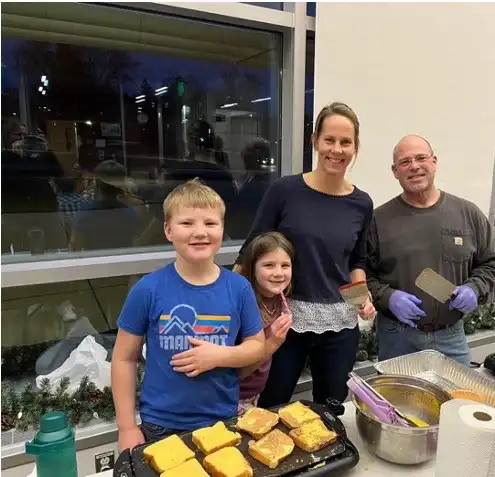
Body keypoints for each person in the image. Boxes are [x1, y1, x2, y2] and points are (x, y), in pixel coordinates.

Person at [236, 102, 376, 408]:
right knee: (272, 405)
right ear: (315, 142)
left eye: (345, 142)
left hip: (340, 324)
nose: (336, 149)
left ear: (355, 148)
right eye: (329, 140)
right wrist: (231, 308)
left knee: (331, 408)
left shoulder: (362, 203)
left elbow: (355, 261)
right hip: (283, 322)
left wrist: (361, 299)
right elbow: (250, 250)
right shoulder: (284, 191)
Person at [111, 179, 265, 451]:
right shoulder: (147, 289)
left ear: (222, 229)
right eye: (187, 223)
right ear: (168, 230)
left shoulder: (239, 288)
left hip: (221, 419)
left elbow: (257, 346)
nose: (200, 232)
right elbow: (124, 358)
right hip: (160, 423)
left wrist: (219, 356)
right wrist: (126, 427)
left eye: (210, 223)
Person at [366, 135, 495, 366]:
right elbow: (363, 275)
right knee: (397, 402)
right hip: (397, 337)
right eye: (405, 162)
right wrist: (388, 298)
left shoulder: (468, 214)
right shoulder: (377, 220)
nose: (415, 166)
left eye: (421, 158)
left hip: (451, 336)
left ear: (434, 162)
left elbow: (490, 264)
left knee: (458, 400)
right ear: (395, 171)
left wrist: (474, 288)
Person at [237, 231, 294, 415]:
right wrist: (273, 342)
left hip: (255, 393)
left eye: (285, 265)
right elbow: (239, 373)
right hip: (234, 396)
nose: (279, 273)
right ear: (252, 268)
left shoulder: (279, 299)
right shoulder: (244, 307)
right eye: (269, 265)